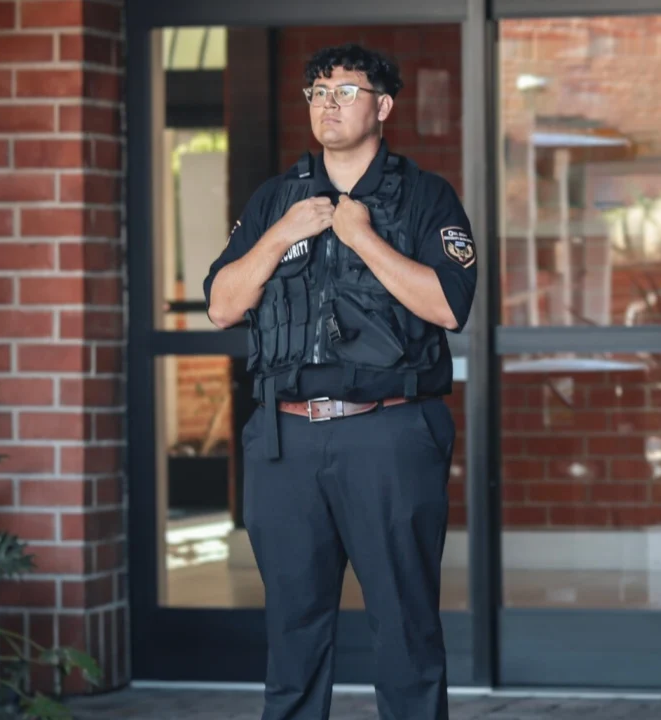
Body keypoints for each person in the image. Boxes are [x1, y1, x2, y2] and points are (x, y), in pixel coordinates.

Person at [202, 43, 476, 720]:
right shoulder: (277, 198)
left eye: (345, 92)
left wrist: (362, 239)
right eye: (318, 92)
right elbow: (221, 304)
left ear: (382, 106)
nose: (328, 104)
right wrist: (281, 235)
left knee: (405, 629)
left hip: (388, 433)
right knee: (293, 635)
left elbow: (448, 305)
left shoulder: (424, 197)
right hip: (286, 439)